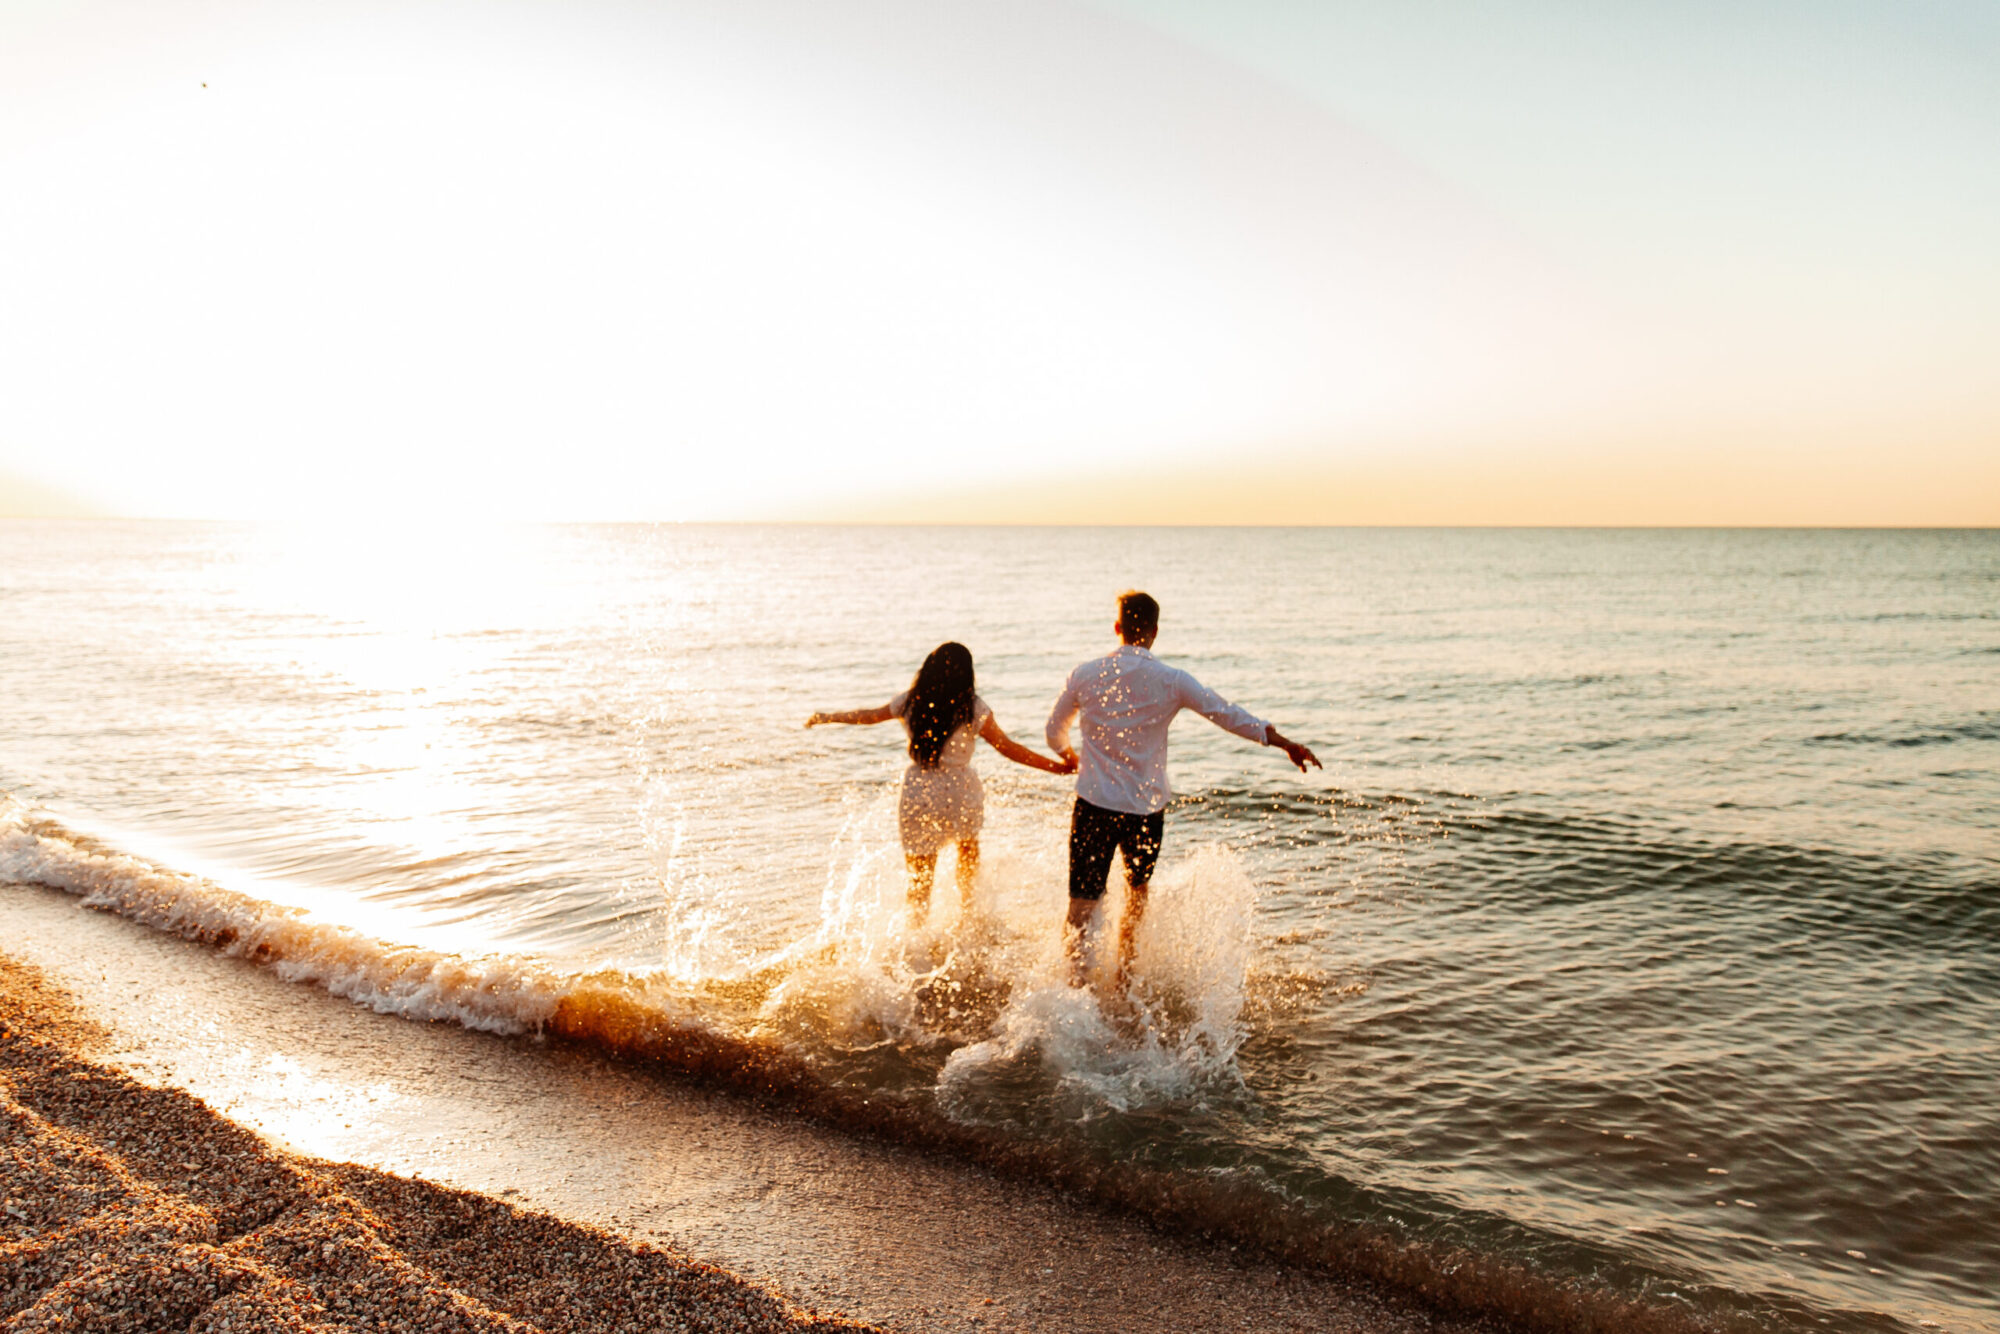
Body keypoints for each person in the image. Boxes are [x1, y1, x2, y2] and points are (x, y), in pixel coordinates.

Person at [1047, 591, 1320, 990]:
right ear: (1155, 632)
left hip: (1093, 805)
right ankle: (1124, 978)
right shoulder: (1173, 681)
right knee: (1137, 892)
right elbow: (1228, 715)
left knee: (1081, 904)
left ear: (1118, 627)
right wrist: (1284, 743)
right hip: (1144, 811)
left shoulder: (1085, 674)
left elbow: (1054, 730)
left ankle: (1074, 990)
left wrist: (1068, 755)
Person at [808, 642, 1075, 921]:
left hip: (920, 789)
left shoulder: (911, 701)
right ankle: (969, 919)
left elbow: (869, 716)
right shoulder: (973, 707)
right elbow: (1008, 748)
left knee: (920, 874)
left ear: (929, 668)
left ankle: (917, 934)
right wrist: (1056, 768)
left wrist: (828, 717)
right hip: (960, 790)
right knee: (968, 854)